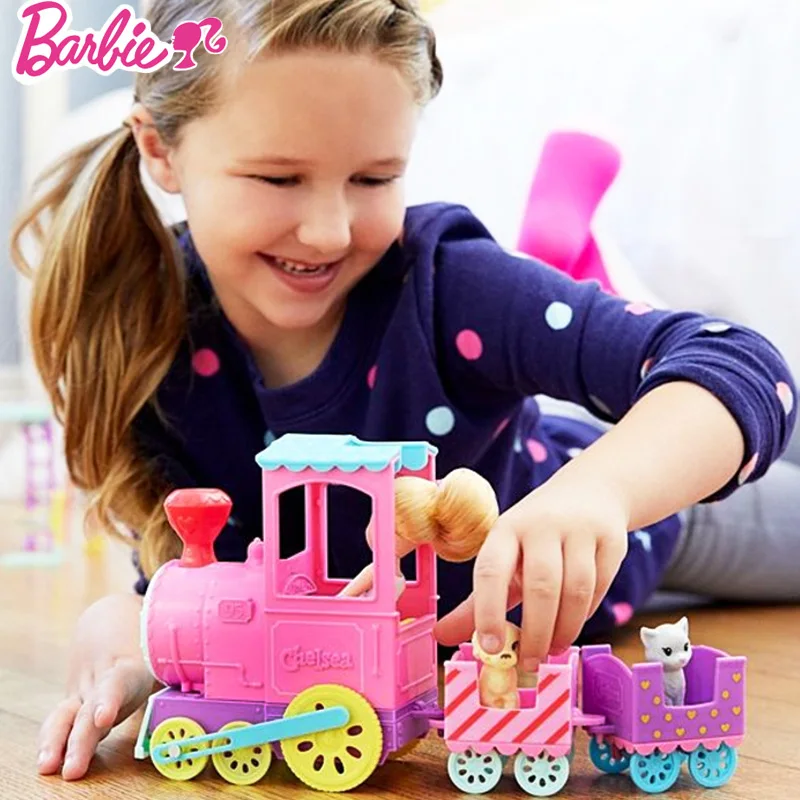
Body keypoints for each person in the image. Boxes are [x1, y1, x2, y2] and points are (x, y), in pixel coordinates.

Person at [10, 0, 797, 783]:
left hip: (643, 528)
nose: (328, 230)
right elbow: (201, 571)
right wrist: (127, 626)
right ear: (161, 150)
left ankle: (582, 271)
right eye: (279, 177)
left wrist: (601, 495)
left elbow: (742, 367)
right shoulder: (146, 338)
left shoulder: (448, 286)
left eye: (373, 177)